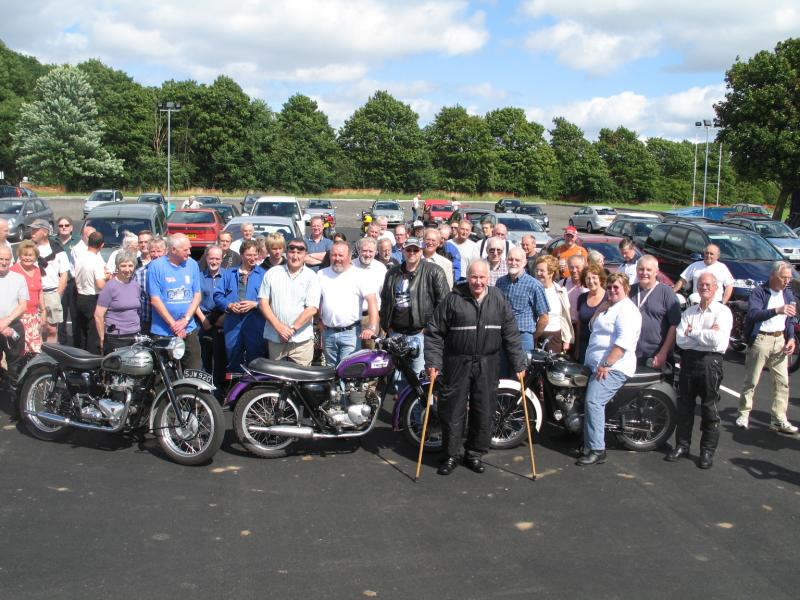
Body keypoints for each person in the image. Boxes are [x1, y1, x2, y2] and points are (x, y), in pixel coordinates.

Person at [425, 260, 526, 476]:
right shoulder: (453, 299)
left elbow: (510, 332)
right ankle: (451, 455)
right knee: (453, 410)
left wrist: (518, 362)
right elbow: (434, 332)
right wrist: (433, 362)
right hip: (457, 361)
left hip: (488, 362)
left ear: (488, 278)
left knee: (484, 409)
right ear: (468, 276)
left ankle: (474, 454)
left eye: (482, 277)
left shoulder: (498, 298)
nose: (478, 282)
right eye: (474, 277)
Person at [669, 273, 733, 469]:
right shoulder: (689, 312)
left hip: (710, 363)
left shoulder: (723, 312)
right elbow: (681, 340)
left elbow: (718, 340)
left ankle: (707, 451)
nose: (704, 287)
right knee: (685, 406)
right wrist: (705, 334)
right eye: (701, 285)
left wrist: (693, 333)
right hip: (688, 361)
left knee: (709, 408)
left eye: (708, 285)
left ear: (716, 288)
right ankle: (682, 446)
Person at [578, 272, 642, 466]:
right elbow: (593, 327)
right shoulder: (610, 307)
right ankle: (587, 442)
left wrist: (606, 364)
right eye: (609, 287)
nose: (612, 290)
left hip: (614, 366)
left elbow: (622, 343)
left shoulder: (627, 310)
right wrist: (600, 310)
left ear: (626, 289)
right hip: (596, 364)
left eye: (616, 287)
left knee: (594, 402)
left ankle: (598, 449)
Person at [735, 261, 798, 433]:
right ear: (773, 276)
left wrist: (791, 338)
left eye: (789, 278)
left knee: (782, 383)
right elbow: (753, 314)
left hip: (780, 340)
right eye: (783, 278)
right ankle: (743, 414)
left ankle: (779, 419)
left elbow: (790, 319)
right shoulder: (759, 292)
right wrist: (776, 310)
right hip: (761, 339)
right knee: (752, 380)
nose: (787, 281)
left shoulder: (788, 294)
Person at [380, 237, 449, 379]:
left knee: (418, 377)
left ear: (421, 251)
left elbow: (444, 304)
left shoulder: (434, 271)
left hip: (420, 333)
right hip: (396, 333)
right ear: (403, 251)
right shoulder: (392, 273)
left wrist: (429, 329)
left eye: (415, 250)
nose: (412, 253)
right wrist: (387, 326)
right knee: (396, 378)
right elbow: (385, 300)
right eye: (409, 250)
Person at [259, 239, 321, 365]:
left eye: (299, 253)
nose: (295, 256)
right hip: (276, 338)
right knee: (277, 376)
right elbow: (263, 303)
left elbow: (312, 308)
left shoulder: (312, 277)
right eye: (292, 252)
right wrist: (279, 328)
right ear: (286, 253)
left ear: (305, 255)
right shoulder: (272, 273)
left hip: (301, 342)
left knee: (301, 376)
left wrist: (291, 329)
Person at [318, 241, 378, 366]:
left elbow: (372, 301)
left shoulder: (360, 275)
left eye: (341, 255)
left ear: (349, 257)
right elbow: (316, 300)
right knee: (330, 370)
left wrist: (371, 328)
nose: (337, 258)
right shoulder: (321, 274)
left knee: (348, 370)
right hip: (328, 333)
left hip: (350, 333)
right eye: (334, 255)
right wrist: (318, 320)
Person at [147, 233, 202, 369]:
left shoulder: (192, 264)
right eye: (186, 250)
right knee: (166, 375)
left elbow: (197, 295)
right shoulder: (156, 266)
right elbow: (155, 300)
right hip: (163, 332)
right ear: (173, 250)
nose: (189, 252)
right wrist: (174, 325)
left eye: (189, 249)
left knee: (193, 370)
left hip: (188, 329)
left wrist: (185, 320)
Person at [215, 240, 267, 373]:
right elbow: (217, 295)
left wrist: (255, 304)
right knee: (233, 357)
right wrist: (229, 305)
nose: (253, 258)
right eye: (249, 255)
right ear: (242, 255)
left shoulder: (263, 275)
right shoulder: (229, 274)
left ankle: (255, 385)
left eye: (255, 255)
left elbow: (270, 299)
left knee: (256, 359)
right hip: (233, 323)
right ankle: (235, 384)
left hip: (255, 323)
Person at [496, 248, 550, 375]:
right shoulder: (500, 282)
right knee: (502, 377)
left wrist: (531, 336)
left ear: (524, 262)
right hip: (502, 337)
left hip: (523, 338)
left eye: (517, 260)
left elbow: (544, 318)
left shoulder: (534, 285)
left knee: (520, 378)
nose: (513, 262)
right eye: (510, 259)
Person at [630, 255, 681, 368]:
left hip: (655, 355)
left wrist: (663, 352)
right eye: (641, 269)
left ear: (656, 272)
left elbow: (674, 325)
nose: (644, 273)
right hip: (630, 352)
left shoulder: (667, 293)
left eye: (649, 270)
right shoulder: (629, 291)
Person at [31, 219, 69, 344]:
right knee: (36, 327)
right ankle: (37, 352)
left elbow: (64, 274)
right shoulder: (28, 249)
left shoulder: (57, 250)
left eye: (36, 230)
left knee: (51, 329)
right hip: (33, 293)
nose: (32, 232)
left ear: (45, 232)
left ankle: (50, 353)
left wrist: (58, 295)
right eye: (32, 229)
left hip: (51, 293)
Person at [94, 252, 140, 354]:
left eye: (130, 266)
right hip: (116, 338)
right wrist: (102, 338)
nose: (127, 269)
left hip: (135, 335)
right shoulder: (110, 286)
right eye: (123, 266)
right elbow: (98, 315)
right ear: (117, 267)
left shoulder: (135, 285)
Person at [196, 245, 227, 389]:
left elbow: (233, 298)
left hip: (222, 319)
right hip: (203, 320)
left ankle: (219, 390)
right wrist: (203, 320)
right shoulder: (199, 276)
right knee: (204, 358)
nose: (214, 261)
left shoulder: (228, 275)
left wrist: (224, 317)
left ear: (222, 258)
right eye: (211, 258)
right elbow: (193, 299)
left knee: (221, 358)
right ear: (206, 258)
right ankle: (203, 389)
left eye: (217, 259)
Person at [73, 231, 108, 353]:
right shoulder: (96, 260)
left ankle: (81, 356)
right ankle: (92, 358)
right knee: (93, 333)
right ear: (102, 245)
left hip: (80, 296)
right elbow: (100, 284)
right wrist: (107, 279)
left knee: (83, 332)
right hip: (92, 298)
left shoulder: (80, 257)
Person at [533, 255, 573, 353]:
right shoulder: (532, 289)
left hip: (554, 336)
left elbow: (565, 317)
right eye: (537, 270)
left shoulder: (560, 291)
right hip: (535, 335)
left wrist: (567, 339)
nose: (538, 273)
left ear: (551, 273)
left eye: (542, 271)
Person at [10, 241, 44, 354]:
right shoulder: (14, 270)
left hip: (34, 315)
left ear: (35, 256)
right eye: (24, 255)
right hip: (20, 316)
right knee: (22, 349)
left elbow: (40, 292)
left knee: (36, 348)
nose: (27, 258)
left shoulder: (37, 270)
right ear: (19, 256)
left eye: (30, 255)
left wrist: (43, 311)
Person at [0, 246, 28, 380]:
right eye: (0, 259)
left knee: (16, 364)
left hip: (13, 326)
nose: (4, 262)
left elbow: (23, 305)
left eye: (7, 259)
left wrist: (6, 322)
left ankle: (13, 390)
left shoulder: (19, 278)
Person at [354, 237, 387, 348]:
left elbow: (385, 295)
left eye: (370, 251)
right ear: (359, 250)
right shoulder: (350, 266)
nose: (367, 254)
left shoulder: (381, 268)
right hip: (353, 318)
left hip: (372, 317)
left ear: (376, 252)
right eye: (364, 250)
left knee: (370, 352)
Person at [575, 264, 607, 363]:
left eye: (594, 278)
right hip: (584, 345)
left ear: (600, 279)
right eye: (588, 278)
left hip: (601, 348)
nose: (591, 281)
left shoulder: (608, 298)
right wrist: (577, 348)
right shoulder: (582, 298)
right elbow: (579, 324)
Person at [55, 217, 79, 345]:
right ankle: (62, 343)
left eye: (66, 225)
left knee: (75, 315)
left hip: (74, 283)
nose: (63, 227)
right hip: (58, 282)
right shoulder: (52, 241)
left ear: (71, 227)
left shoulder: (78, 241)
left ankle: (77, 344)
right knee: (61, 315)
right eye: (61, 225)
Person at [134, 237, 166, 335]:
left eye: (159, 251)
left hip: (167, 321)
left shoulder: (173, 271)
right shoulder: (140, 273)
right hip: (147, 322)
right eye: (152, 251)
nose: (156, 255)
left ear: (165, 251)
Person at [563, 254, 587, 329]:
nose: (574, 270)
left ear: (583, 267)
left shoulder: (588, 284)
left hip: (583, 325)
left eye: (577, 267)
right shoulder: (563, 283)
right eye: (571, 267)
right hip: (566, 325)